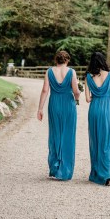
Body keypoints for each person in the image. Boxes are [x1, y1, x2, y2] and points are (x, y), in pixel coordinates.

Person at [37, 50, 80, 180]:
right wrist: (77, 99)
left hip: (54, 103)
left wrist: (40, 109)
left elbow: (45, 90)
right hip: (68, 104)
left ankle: (55, 167)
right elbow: (76, 91)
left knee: (55, 134)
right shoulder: (71, 72)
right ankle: (65, 170)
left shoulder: (49, 71)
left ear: (56, 60)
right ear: (67, 60)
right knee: (67, 135)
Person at [85, 52, 110, 186]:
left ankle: (97, 173)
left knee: (96, 141)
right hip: (107, 110)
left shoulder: (88, 77)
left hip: (94, 109)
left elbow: (87, 99)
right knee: (108, 141)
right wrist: (105, 97)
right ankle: (108, 174)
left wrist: (97, 97)